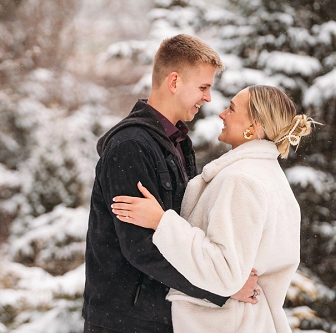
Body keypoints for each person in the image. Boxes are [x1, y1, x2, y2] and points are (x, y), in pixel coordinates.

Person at [82, 34, 260, 333]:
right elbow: (141, 247)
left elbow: (181, 228)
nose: (208, 98)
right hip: (125, 321)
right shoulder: (131, 146)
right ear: (174, 82)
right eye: (203, 87)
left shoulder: (178, 143)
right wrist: (222, 289)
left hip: (161, 316)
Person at [111, 85, 320, 332]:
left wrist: (162, 222)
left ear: (253, 127)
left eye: (231, 109)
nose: (222, 114)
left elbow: (225, 273)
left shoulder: (242, 181)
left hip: (230, 324)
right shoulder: (271, 178)